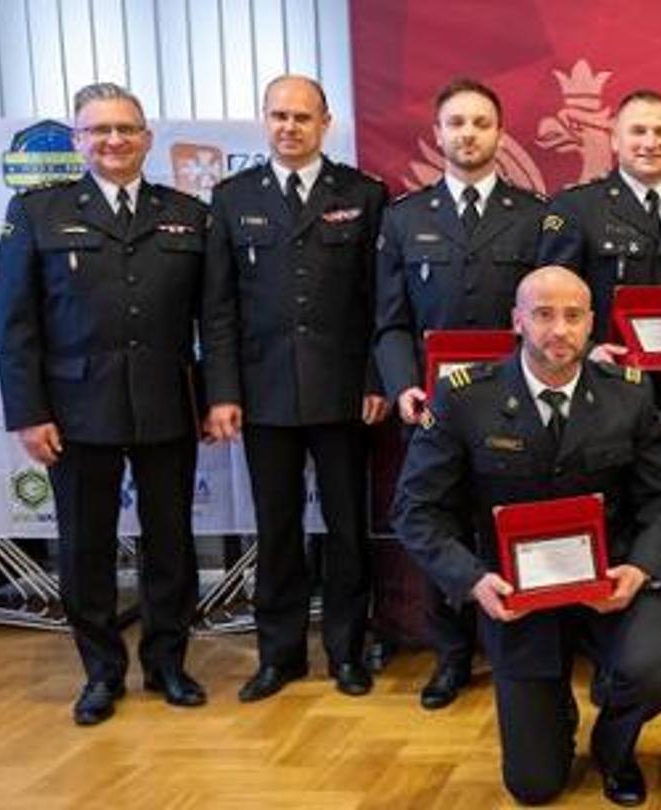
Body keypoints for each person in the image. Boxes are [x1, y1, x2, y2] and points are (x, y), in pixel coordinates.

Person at [391, 267, 661, 805]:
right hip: (515, 596)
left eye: (573, 315)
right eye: (543, 314)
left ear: (591, 322)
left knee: (653, 670)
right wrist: (474, 581)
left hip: (609, 583)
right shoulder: (465, 397)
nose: (559, 329)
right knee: (533, 785)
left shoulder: (630, 395)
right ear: (517, 320)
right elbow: (415, 509)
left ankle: (614, 750)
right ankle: (553, 712)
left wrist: (639, 568)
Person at [0, 82, 218, 725]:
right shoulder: (36, 212)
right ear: (78, 140)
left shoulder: (186, 214)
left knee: (170, 544)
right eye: (99, 131)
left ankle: (169, 664)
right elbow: (15, 323)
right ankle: (100, 672)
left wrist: (214, 398)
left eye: (125, 129)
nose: (113, 141)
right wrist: (28, 413)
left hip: (166, 404)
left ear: (147, 138)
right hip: (74, 411)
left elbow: (214, 318)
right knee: (85, 548)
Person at [204, 74, 390, 702]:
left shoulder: (364, 195)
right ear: (264, 120)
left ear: (325, 123)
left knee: (346, 530)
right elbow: (219, 308)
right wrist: (223, 391)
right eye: (278, 115)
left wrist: (374, 378)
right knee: (276, 529)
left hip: (344, 396)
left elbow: (378, 302)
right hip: (265, 396)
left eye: (302, 117)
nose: (289, 127)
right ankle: (278, 656)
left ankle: (347, 652)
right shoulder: (232, 199)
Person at [373, 77, 548, 710]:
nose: (468, 134)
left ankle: (520, 644)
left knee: (507, 523)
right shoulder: (404, 217)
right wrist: (401, 388)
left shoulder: (533, 216)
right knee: (438, 527)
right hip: (434, 407)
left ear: (500, 135)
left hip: (513, 406)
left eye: (480, 123)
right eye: (456, 123)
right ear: (438, 133)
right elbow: (389, 323)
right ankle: (449, 655)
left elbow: (550, 316)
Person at [538, 88, 661, 484]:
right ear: (614, 139)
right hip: (602, 392)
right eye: (638, 131)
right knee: (610, 513)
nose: (650, 142)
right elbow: (547, 302)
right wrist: (588, 352)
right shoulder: (577, 208)